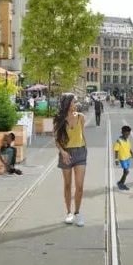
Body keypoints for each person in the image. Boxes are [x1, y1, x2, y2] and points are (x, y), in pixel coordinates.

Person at [55, 93, 87, 227]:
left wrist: (85, 149)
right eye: (74, 102)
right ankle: (69, 212)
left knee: (79, 186)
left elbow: (82, 135)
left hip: (80, 152)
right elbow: (56, 139)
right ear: (67, 103)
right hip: (66, 154)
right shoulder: (59, 119)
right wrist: (62, 152)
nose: (76, 104)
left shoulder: (81, 117)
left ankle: (77, 213)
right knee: (67, 185)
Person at [113, 125, 133, 191]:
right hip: (122, 159)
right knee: (126, 171)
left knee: (125, 172)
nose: (127, 135)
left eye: (128, 134)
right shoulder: (119, 141)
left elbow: (129, 147)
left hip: (128, 158)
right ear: (122, 132)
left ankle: (120, 182)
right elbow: (116, 150)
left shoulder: (127, 140)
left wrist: (131, 153)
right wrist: (116, 159)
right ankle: (122, 184)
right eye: (126, 134)